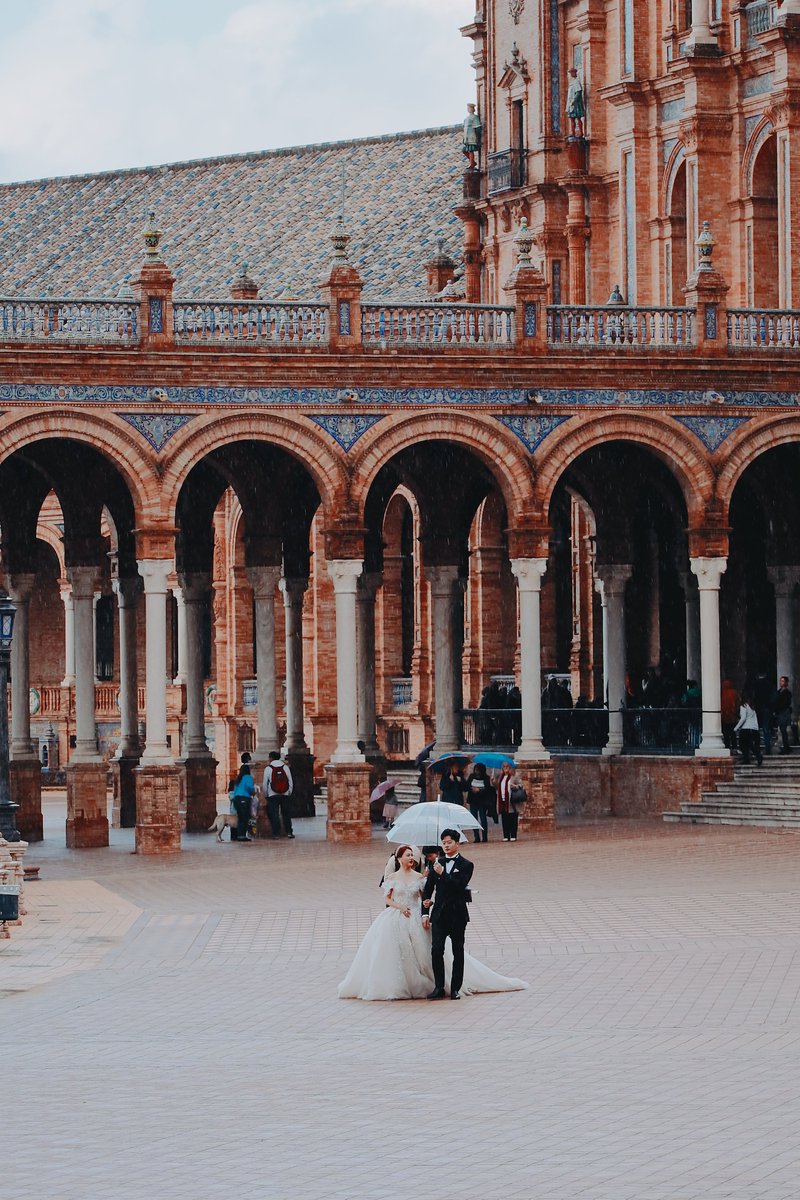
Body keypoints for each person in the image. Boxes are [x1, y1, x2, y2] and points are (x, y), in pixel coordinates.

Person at [339, 842, 527, 1001]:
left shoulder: (419, 877)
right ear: (398, 859)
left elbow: (424, 896)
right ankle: (398, 983)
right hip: (397, 916)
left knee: (425, 950)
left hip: (415, 914)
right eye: (407, 855)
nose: (411, 858)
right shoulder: (392, 877)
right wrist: (399, 907)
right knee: (393, 950)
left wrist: (426, 905)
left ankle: (437, 983)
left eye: (412, 855)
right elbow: (387, 898)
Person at [262, 750, 295, 838]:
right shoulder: (285, 767)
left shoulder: (268, 768)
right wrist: (289, 792)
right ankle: (289, 832)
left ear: (271, 758)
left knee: (274, 814)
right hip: (285, 794)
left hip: (272, 794)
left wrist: (266, 794)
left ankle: (276, 833)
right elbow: (290, 781)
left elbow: (265, 783)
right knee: (286, 814)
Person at [464, 762, 494, 843]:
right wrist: (472, 788)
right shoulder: (471, 776)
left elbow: (488, 789)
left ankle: (484, 837)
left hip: (482, 801)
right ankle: (476, 836)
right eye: (476, 770)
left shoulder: (486, 778)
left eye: (478, 770)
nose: (477, 772)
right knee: (474, 818)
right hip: (473, 800)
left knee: (483, 818)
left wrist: (479, 790)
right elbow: (466, 786)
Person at [497, 760, 522, 841]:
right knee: (504, 818)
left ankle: (513, 835)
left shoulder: (514, 776)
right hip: (503, 800)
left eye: (507, 767)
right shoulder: (500, 777)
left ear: (510, 768)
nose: (505, 768)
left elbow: (521, 785)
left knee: (513, 818)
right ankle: (506, 835)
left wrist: (514, 786)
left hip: (511, 801)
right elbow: (496, 787)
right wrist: (493, 781)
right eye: (504, 767)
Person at [734, 693, 762, 766]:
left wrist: (736, 728)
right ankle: (758, 756)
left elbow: (743, 718)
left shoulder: (743, 706)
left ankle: (747, 759)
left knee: (743, 745)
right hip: (753, 728)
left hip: (746, 728)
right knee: (750, 745)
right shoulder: (752, 707)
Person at [231, 764, 255, 841]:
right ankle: (242, 836)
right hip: (244, 799)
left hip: (236, 799)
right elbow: (250, 788)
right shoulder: (248, 777)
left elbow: (235, 790)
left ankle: (237, 835)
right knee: (244, 818)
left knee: (240, 817)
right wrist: (253, 792)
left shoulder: (238, 778)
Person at [773, 676, 793, 754]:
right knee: (782, 730)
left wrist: (779, 710)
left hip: (783, 713)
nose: (781, 682)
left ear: (786, 683)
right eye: (780, 681)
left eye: (782, 681)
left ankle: (786, 747)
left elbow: (785, 703)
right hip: (779, 713)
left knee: (783, 730)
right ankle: (786, 747)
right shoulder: (779, 691)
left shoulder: (787, 693)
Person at [566, 67, 585, 138]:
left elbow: (578, 92)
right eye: (570, 73)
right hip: (571, 103)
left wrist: (574, 101)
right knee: (572, 118)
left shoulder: (576, 81)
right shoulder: (572, 82)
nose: (571, 74)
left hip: (576, 103)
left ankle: (581, 132)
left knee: (578, 118)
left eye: (571, 73)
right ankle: (573, 133)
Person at [462, 103, 482, 169]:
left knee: (470, 150)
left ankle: (472, 164)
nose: (469, 109)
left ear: (473, 109)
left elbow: (478, 127)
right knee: (464, 150)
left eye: (470, 108)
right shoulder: (466, 119)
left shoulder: (474, 117)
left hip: (472, 136)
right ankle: (472, 162)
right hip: (467, 137)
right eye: (468, 108)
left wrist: (478, 136)